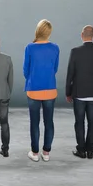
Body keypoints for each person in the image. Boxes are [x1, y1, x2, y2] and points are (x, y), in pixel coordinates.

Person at [65, 25, 93, 159]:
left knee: (79, 122)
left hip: (79, 93)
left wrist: (68, 92)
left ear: (81, 35)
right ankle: (91, 151)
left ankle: (81, 150)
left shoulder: (75, 51)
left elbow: (70, 73)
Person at [23, 19, 60, 162]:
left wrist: (33, 78)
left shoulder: (30, 48)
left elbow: (26, 70)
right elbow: (55, 69)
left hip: (33, 90)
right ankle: (46, 152)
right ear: (49, 33)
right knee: (49, 122)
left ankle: (35, 152)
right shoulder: (55, 48)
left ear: (37, 31)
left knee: (34, 122)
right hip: (50, 89)